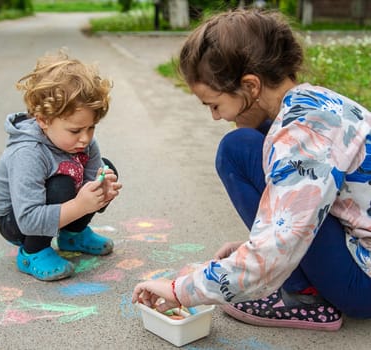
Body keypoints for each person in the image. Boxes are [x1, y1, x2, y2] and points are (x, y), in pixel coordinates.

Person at [132, 9, 371, 331]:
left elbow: (273, 253)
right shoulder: (318, 104)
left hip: (363, 285)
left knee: (236, 148)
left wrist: (181, 290)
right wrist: (254, 244)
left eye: (214, 104)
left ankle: (303, 297)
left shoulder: (301, 137)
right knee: (254, 140)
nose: (215, 117)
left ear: (250, 85)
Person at [0, 50, 122, 281]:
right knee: (62, 183)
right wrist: (81, 205)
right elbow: (28, 218)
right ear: (43, 120)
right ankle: (33, 252)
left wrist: (103, 193)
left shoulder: (84, 143)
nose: (85, 138)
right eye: (75, 130)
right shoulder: (27, 153)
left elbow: (91, 183)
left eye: (91, 127)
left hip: (52, 208)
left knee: (105, 169)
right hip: (18, 221)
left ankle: (73, 235)